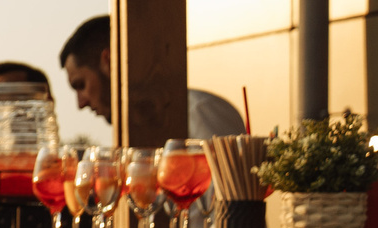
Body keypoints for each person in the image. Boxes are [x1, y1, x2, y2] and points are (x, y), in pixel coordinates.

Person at [58, 15, 248, 139]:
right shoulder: (133, 134)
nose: (80, 104)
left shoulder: (198, 112)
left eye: (80, 85)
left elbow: (230, 198)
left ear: (108, 61)